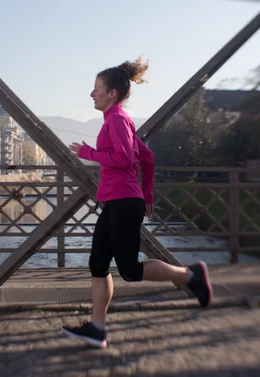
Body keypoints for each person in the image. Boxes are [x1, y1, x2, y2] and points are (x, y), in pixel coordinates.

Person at [61, 56, 212, 348]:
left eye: (96, 88)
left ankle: (190, 274)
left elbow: (126, 158)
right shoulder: (117, 120)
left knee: (129, 270)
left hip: (123, 201)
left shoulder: (117, 119)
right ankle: (97, 329)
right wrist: (148, 195)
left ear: (112, 93)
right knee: (97, 264)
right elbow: (148, 158)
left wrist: (89, 153)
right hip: (118, 200)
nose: (92, 94)